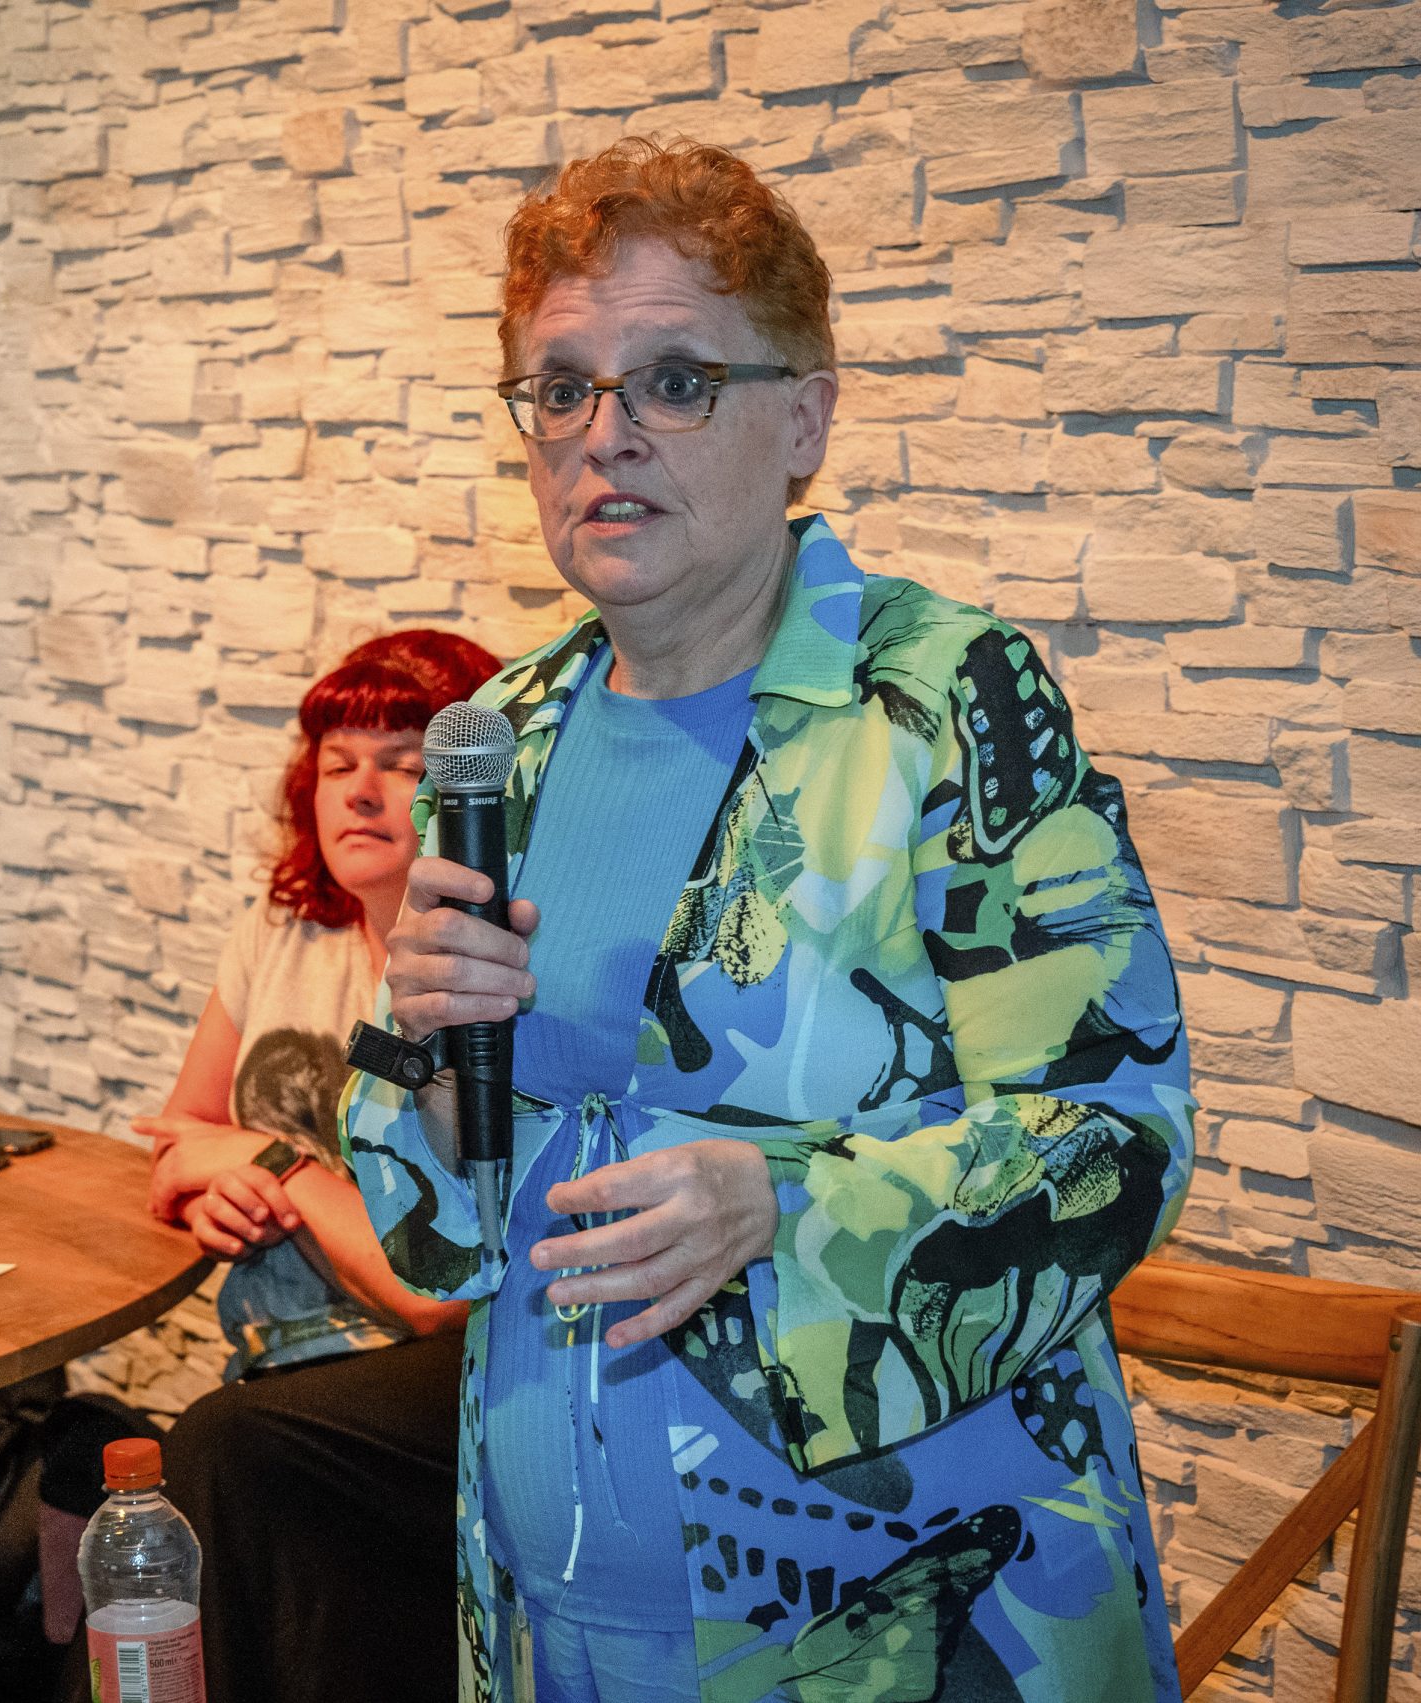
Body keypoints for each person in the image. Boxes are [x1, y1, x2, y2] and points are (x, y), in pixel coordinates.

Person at [344, 138, 1195, 1703]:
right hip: (548, 1614)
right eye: (561, 387)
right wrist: (427, 1048)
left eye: (673, 381)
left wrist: (784, 1204)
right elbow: (440, 1218)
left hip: (908, 1622)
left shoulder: (940, 701)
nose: (605, 435)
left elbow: (1114, 1130)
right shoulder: (502, 733)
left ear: (804, 417)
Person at [137, 628, 499, 1703]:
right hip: (283, 1352)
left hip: (448, 1369)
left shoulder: (475, 975)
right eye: (339, 764)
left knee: (215, 1447)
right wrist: (218, 1197)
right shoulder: (284, 926)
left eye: (402, 763)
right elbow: (175, 1137)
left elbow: (432, 1290)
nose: (362, 791)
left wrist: (274, 1171)